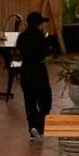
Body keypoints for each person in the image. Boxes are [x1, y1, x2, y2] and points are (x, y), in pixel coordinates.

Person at [16, 11, 52, 140]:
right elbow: (47, 53)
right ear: (39, 24)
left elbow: (18, 50)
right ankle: (38, 126)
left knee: (29, 102)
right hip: (39, 70)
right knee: (46, 101)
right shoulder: (41, 37)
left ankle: (32, 129)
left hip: (25, 70)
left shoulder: (22, 36)